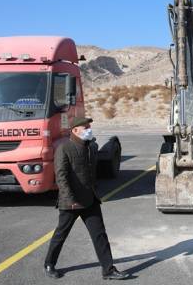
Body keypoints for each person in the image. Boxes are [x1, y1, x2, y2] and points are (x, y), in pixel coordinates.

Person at [43, 117, 129, 280]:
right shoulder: (64, 148)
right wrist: (70, 199)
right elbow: (61, 176)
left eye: (89, 127)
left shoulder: (90, 148)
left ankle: (108, 269)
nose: (89, 129)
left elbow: (91, 173)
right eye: (85, 127)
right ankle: (49, 264)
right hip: (71, 203)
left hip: (90, 199)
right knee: (61, 235)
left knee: (100, 235)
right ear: (75, 130)